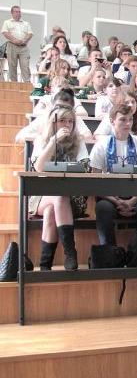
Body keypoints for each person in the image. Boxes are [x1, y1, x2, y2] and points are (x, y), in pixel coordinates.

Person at [89, 105, 137, 246]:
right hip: (109, 196)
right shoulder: (101, 145)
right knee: (103, 209)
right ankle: (110, 252)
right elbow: (94, 180)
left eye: (130, 120)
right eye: (122, 120)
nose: (127, 124)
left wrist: (132, 201)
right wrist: (117, 201)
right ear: (112, 121)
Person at [29, 107, 86, 270]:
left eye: (70, 121)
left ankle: (45, 264)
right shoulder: (41, 140)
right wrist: (53, 142)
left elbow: (84, 168)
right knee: (58, 197)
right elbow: (39, 168)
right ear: (53, 123)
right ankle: (70, 253)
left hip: (71, 198)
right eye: (62, 121)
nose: (67, 125)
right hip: (42, 196)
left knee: (52, 210)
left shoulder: (78, 141)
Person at [3, 6, 33, 82]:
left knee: (25, 66)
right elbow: (5, 32)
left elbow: (30, 34)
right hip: (12, 46)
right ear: (12, 13)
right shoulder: (7, 22)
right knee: (12, 66)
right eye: (16, 11)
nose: (18, 13)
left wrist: (24, 40)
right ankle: (14, 84)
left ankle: (27, 83)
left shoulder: (26, 23)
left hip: (24, 47)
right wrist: (15, 40)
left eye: (19, 11)